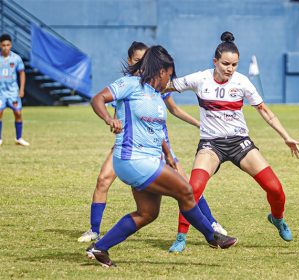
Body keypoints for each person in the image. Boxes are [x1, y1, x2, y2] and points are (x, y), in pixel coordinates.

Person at [87, 45, 237, 267]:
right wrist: (110, 119)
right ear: (160, 71)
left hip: (149, 159)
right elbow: (97, 99)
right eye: (169, 74)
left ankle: (99, 248)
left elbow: (158, 133)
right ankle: (212, 236)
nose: (170, 79)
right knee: (186, 190)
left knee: (147, 213)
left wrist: (169, 155)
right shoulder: (130, 85)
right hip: (132, 158)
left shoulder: (157, 95)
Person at [165, 32, 299, 254]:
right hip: (211, 145)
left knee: (275, 188)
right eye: (225, 64)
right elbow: (166, 86)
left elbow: (264, 111)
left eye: (234, 65)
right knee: (192, 189)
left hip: (240, 142)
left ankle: (277, 219)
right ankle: (181, 237)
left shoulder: (242, 81)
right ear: (215, 62)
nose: (230, 69)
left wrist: (285, 136)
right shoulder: (199, 79)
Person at [0, 33, 29, 146]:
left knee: (18, 113)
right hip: (1, 92)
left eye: (8, 45)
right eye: (3, 45)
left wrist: (21, 89)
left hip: (13, 92)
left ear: (11, 45)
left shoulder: (16, 58)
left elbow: (22, 74)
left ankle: (19, 138)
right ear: (0, 45)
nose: (6, 47)